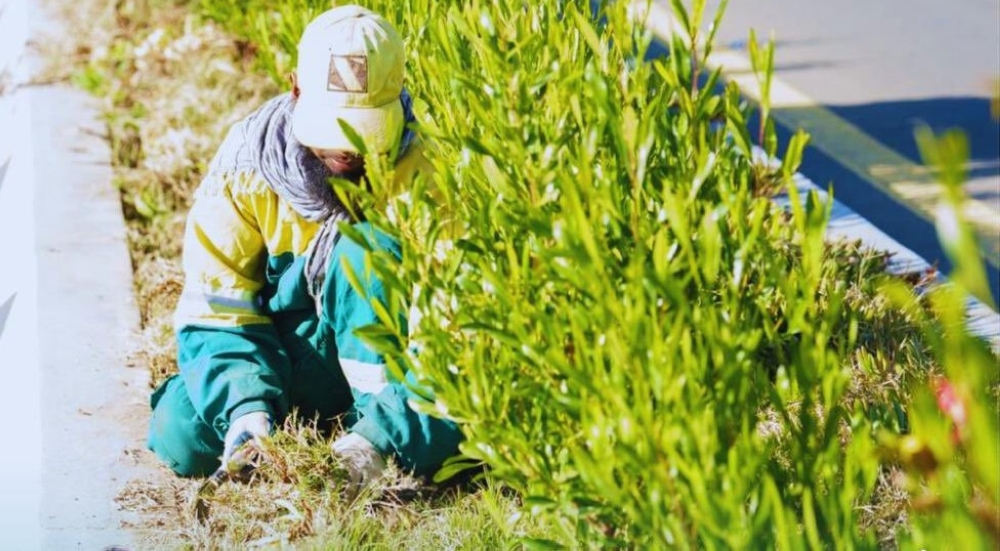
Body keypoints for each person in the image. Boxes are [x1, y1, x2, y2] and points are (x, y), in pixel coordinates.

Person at [147, 5, 462, 489]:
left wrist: (382, 436)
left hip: (394, 370)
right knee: (183, 433)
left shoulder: (429, 174)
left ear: (400, 99)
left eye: (365, 131)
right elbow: (217, 311)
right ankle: (273, 418)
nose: (348, 153)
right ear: (295, 88)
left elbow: (452, 338)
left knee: (366, 252)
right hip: (286, 352)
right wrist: (245, 412)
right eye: (334, 131)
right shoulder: (245, 166)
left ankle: (381, 440)